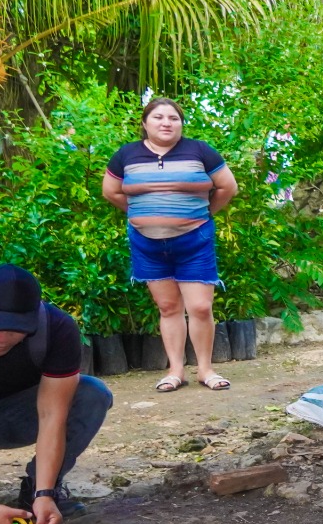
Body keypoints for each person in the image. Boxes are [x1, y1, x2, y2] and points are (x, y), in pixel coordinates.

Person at [102, 97, 239, 392]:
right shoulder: (126, 155)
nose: (166, 123)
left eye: (173, 118)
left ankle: (205, 370)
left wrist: (203, 214)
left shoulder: (200, 151)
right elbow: (111, 191)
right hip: (147, 245)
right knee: (167, 307)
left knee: (201, 307)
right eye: (159, 117)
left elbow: (228, 187)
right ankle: (176, 370)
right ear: (144, 123)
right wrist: (140, 214)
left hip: (194, 241)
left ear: (181, 123)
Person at [0, 265, 113, 524]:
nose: (1, 339)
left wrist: (44, 493)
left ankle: (34, 495)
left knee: (92, 393)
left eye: (15, 330)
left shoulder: (57, 328)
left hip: (15, 417)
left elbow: (52, 416)